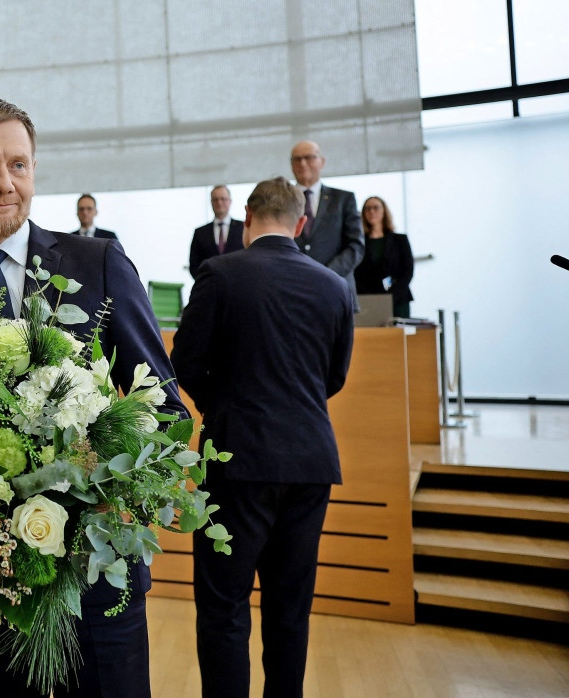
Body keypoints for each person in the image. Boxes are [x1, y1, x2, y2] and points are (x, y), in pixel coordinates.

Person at [0, 98, 186, 698]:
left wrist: (109, 483)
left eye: (18, 165)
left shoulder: (98, 264)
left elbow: (167, 410)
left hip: (98, 585)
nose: (5, 184)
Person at [170, 176, 354, 698]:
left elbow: (185, 362)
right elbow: (333, 378)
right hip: (310, 462)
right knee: (290, 609)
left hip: (237, 461)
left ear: (247, 218)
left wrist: (223, 406)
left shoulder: (220, 273)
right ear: (302, 224)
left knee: (225, 607)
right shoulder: (335, 286)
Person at [290, 140, 364, 303]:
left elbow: (356, 246)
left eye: (309, 157)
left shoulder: (344, 199)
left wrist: (326, 274)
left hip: (336, 290)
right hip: (294, 292)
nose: (302, 163)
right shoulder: (283, 201)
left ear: (322, 162)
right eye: (297, 159)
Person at [353, 196, 415, 318]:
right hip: (368, 300)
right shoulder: (358, 242)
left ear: (384, 211)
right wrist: (373, 296)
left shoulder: (399, 240)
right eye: (367, 208)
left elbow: (408, 271)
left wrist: (390, 295)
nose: (371, 211)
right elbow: (355, 271)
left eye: (376, 208)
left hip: (398, 299)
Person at [189, 185, 244, 277]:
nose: (219, 202)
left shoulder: (243, 228)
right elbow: (194, 265)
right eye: (215, 199)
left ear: (230, 201)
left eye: (223, 199)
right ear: (211, 202)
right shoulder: (200, 233)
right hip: (209, 286)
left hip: (238, 285)